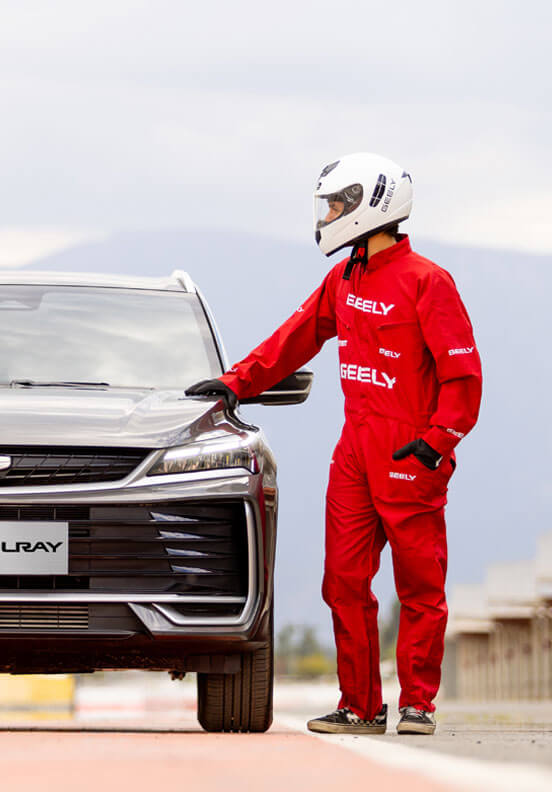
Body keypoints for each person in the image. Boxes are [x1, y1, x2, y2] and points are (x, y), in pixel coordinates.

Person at [186, 153, 482, 735]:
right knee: (343, 581)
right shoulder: (343, 278)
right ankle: (361, 706)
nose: (327, 216)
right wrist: (236, 382)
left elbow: (463, 376)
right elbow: (295, 338)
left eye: (336, 205)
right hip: (354, 454)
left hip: (410, 453)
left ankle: (418, 704)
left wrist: (437, 441)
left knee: (420, 585)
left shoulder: (428, 281)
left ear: (371, 205)